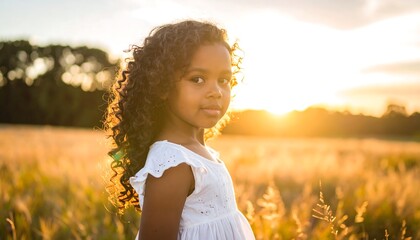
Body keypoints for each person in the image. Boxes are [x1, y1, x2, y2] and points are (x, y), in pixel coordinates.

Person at [104, 20, 255, 240]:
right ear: (163, 85)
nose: (216, 92)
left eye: (224, 80)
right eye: (198, 79)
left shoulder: (198, 152)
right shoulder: (173, 163)